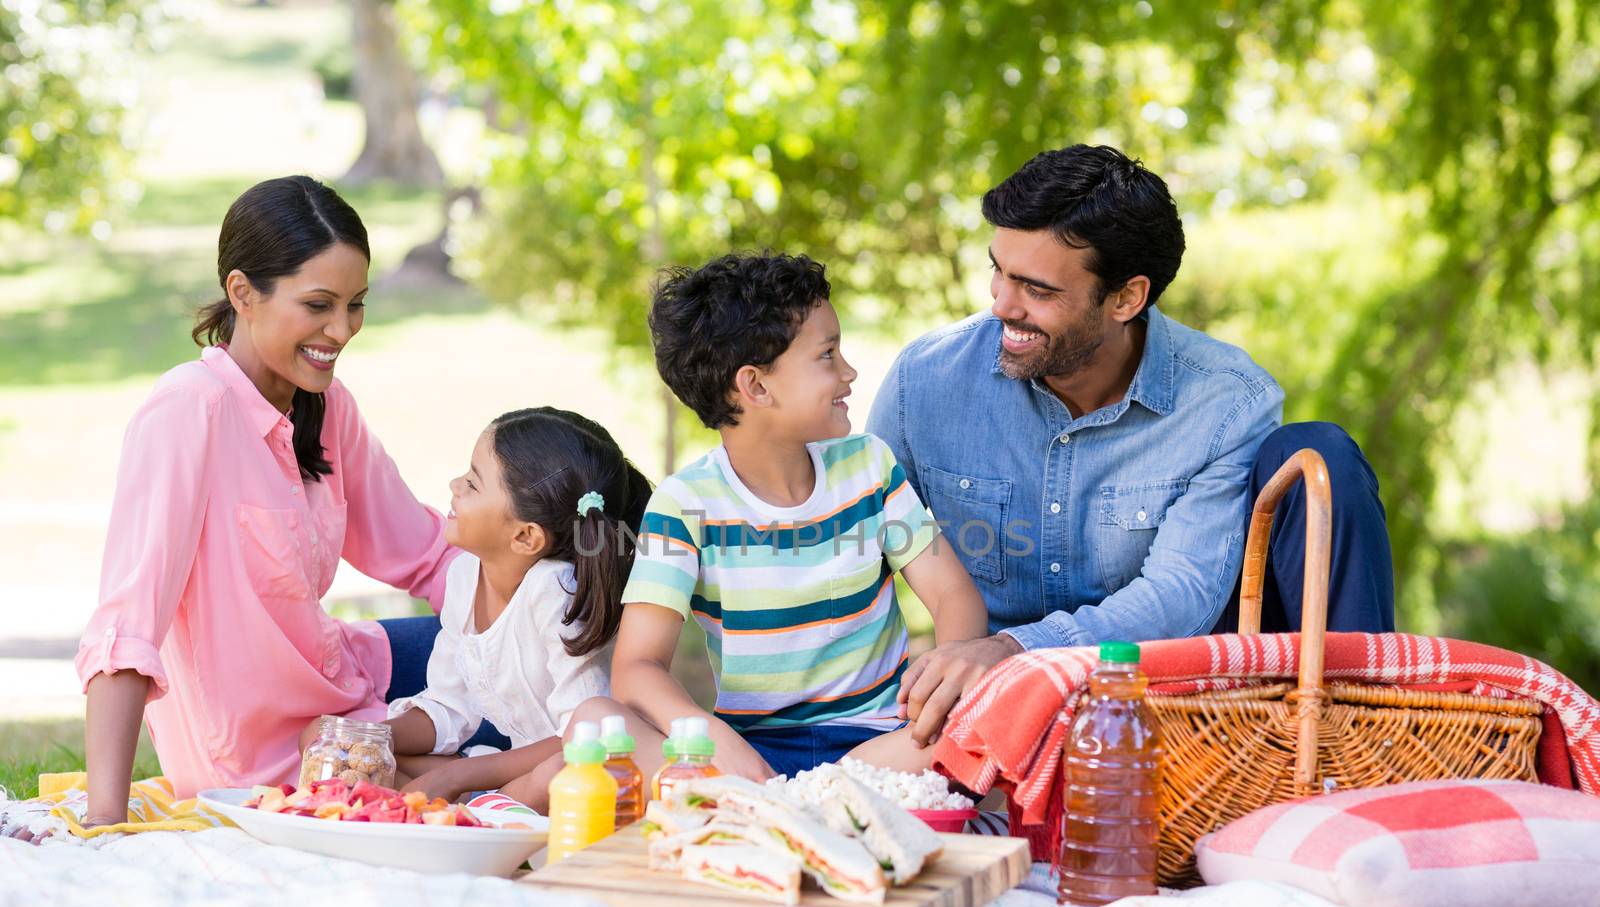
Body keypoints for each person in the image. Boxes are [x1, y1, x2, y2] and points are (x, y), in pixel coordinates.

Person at [867, 144, 1395, 721]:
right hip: (996, 708)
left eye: (1036, 290)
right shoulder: (926, 380)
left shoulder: (1225, 400)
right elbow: (847, 544)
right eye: (998, 271)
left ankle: (1355, 736)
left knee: (1319, 453)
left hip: (1165, 695)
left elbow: (1183, 593)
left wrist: (1015, 649)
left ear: (1126, 298)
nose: (1000, 306)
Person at [73, 176, 461, 826]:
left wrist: (546, 609)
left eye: (356, 304)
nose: (341, 330)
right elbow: (128, 627)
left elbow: (426, 553)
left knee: (539, 661)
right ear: (242, 293)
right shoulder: (189, 412)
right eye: (319, 305)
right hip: (259, 765)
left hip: (343, 692)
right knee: (524, 739)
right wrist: (104, 819)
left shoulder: (326, 406)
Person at [596, 252, 989, 780]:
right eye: (828, 355)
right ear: (756, 387)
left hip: (882, 743)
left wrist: (946, 683)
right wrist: (719, 745)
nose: (849, 372)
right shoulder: (683, 505)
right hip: (752, 755)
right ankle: (795, 804)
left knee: (986, 715)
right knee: (594, 720)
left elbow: (951, 593)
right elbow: (636, 670)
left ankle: (801, 805)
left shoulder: (869, 466)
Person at [382, 407, 662, 810]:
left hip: (573, 769)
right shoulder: (464, 577)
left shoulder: (555, 590)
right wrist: (372, 736)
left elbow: (580, 737)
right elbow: (449, 706)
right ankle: (484, 808)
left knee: (554, 776)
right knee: (360, 752)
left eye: (473, 484)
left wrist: (456, 775)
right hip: (508, 773)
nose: (454, 484)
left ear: (526, 536)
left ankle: (485, 808)